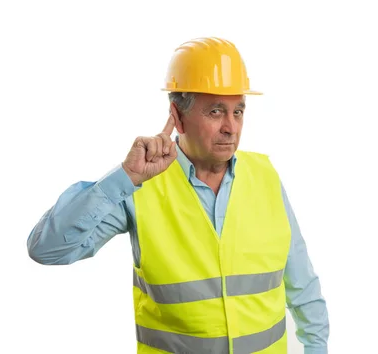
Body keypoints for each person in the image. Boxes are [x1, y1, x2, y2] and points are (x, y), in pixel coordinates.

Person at [27, 37, 329, 354]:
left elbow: (302, 284)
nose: (231, 127)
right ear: (177, 116)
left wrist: (317, 348)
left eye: (238, 111)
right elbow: (47, 249)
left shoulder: (265, 175)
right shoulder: (140, 187)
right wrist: (124, 178)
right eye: (215, 112)